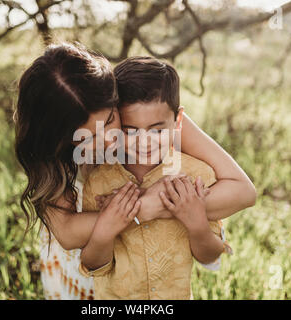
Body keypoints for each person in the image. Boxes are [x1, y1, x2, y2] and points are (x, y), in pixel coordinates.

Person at [13, 43, 256, 300]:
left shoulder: (148, 118)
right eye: (87, 137)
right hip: (84, 260)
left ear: (113, 97)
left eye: (109, 120)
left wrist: (164, 204)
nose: (108, 139)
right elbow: (68, 233)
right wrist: (146, 206)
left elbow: (243, 192)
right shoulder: (49, 153)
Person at [78, 56, 233, 299]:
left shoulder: (196, 176)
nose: (144, 141)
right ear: (115, 122)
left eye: (157, 130)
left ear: (178, 120)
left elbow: (211, 256)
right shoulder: (99, 183)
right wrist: (106, 229)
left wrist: (196, 224)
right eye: (130, 131)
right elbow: (93, 265)